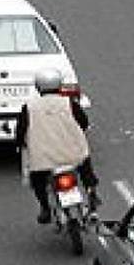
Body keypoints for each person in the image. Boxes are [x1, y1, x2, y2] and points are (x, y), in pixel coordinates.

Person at [15, 69, 100, 225]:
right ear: (59, 85)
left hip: (43, 158)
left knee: (38, 180)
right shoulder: (69, 103)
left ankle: (45, 208)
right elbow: (84, 123)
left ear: (38, 87)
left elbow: (20, 132)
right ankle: (91, 191)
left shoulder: (29, 107)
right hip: (73, 154)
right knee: (85, 168)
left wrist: (19, 143)